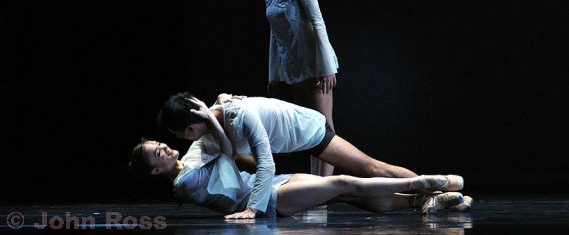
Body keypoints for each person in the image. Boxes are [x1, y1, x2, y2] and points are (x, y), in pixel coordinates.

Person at [158, 93, 466, 219]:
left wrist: (252, 208)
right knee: (346, 194)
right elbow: (235, 156)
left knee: (372, 168)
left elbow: (264, 163)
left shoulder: (240, 115)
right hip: (290, 147)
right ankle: (426, 199)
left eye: (182, 135)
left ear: (191, 127)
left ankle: (432, 192)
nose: (183, 142)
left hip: (308, 132)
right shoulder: (211, 128)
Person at [128, 138, 472, 219]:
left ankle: (422, 201)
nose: (163, 148)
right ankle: (422, 183)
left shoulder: (192, 152)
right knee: (343, 184)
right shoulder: (183, 183)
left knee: (347, 195)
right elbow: (225, 149)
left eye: (159, 144)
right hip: (265, 201)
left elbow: (219, 141)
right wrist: (213, 116)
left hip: (273, 182)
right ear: (156, 170)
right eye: (157, 153)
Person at [260, 0, 338, 177]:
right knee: (311, 131)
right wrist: (274, 75)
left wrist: (326, 67)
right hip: (294, 67)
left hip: (315, 64)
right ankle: (316, 186)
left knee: (325, 129)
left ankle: (323, 188)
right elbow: (275, 32)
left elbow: (318, 21)